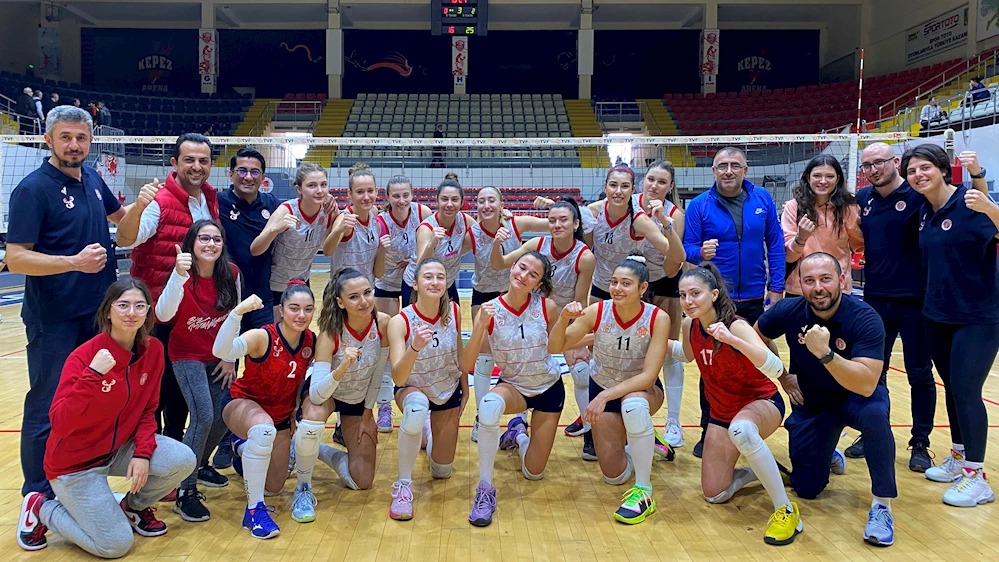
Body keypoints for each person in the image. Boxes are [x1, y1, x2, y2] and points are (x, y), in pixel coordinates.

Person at [7, 106, 144, 499]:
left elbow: (125, 229)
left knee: (95, 398)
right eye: (65, 137)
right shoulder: (33, 189)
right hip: (55, 318)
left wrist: (141, 206)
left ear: (90, 141)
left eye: (81, 138)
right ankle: (37, 494)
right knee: (48, 402)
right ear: (48, 140)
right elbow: (15, 258)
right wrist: (73, 262)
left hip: (97, 317)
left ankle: (79, 479)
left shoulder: (94, 179)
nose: (73, 145)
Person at [16, 279, 197, 556]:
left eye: (139, 306)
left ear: (148, 312)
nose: (131, 313)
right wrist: (92, 376)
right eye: (123, 305)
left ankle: (134, 508)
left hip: (118, 449)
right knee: (115, 545)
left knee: (183, 459)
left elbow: (148, 409)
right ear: (108, 312)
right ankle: (42, 508)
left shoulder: (154, 350)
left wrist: (142, 453)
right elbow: (61, 422)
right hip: (74, 465)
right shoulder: (84, 357)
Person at [849, 144, 988, 469]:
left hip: (917, 302)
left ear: (894, 162)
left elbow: (969, 204)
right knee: (872, 372)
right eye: (867, 165)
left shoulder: (918, 194)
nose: (873, 169)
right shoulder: (864, 198)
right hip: (874, 300)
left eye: (879, 162)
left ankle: (920, 443)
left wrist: (976, 174)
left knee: (920, 375)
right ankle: (871, 433)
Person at [755, 252, 895, 546]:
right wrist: (782, 375)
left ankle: (882, 505)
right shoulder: (789, 311)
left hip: (858, 398)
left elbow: (866, 384)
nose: (818, 288)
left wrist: (825, 354)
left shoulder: (865, 317)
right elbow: (753, 338)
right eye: (809, 281)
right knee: (806, 488)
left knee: (875, 415)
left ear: (841, 280)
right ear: (800, 284)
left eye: (825, 279)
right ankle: (828, 451)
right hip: (815, 402)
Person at [675, 263, 800, 546]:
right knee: (715, 493)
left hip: (762, 403)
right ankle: (760, 471)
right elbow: (686, 355)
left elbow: (773, 365)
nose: (688, 301)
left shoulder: (737, 326)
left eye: (695, 293)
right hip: (722, 412)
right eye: (683, 295)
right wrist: (647, 337)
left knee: (742, 430)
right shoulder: (689, 325)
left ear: (714, 294)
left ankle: (786, 509)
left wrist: (731, 340)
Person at [903, 144, 999, 508]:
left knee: (966, 390)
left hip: (976, 317)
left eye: (925, 168)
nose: (918, 175)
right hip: (936, 314)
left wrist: (987, 199)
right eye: (912, 171)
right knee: (952, 389)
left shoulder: (971, 202)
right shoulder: (924, 212)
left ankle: (977, 476)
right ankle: (959, 456)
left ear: (943, 170)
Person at [549, 255, 670, 525]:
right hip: (604, 386)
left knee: (633, 407)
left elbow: (648, 376)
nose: (617, 288)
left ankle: (644, 491)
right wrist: (563, 319)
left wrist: (603, 396)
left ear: (642, 288)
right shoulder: (597, 311)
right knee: (613, 476)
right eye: (614, 282)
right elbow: (556, 346)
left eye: (626, 283)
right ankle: (644, 441)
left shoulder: (657, 317)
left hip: (642, 391)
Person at [116, 132, 219, 444]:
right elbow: (125, 239)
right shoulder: (158, 202)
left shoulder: (210, 199)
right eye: (189, 160)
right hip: (155, 312)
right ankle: (147, 453)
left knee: (178, 392)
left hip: (188, 313)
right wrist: (138, 207)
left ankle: (175, 456)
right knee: (153, 390)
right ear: (175, 163)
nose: (196, 166)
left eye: (203, 160)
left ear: (210, 164)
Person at [683, 146, 786, 457]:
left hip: (754, 296)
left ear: (745, 170)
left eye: (735, 165)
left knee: (756, 363)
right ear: (713, 171)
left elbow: (775, 243)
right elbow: (687, 248)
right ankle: (709, 429)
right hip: (716, 302)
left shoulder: (762, 199)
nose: (728, 171)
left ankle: (755, 422)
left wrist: (777, 287)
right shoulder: (699, 205)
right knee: (712, 370)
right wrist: (700, 252)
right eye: (722, 166)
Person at [461, 251, 561, 527]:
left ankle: (518, 435)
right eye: (522, 267)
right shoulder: (489, 310)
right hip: (514, 387)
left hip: (549, 388)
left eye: (533, 274)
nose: (524, 276)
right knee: (488, 406)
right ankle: (485, 488)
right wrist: (480, 326)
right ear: (512, 267)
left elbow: (558, 345)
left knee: (533, 472)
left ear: (538, 283)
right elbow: (467, 364)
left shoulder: (548, 308)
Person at [491, 197, 596, 455]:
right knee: (523, 363)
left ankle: (590, 432)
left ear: (575, 224)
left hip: (563, 318)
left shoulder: (584, 256)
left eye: (563, 220)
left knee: (581, 371)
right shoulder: (537, 245)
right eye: (552, 220)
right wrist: (496, 243)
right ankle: (518, 423)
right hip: (530, 317)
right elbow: (499, 264)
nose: (557, 225)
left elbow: (580, 302)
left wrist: (571, 336)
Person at [212, 286, 317, 539]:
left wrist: (294, 411)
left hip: (280, 416)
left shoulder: (311, 341)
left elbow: (298, 380)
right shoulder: (262, 336)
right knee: (262, 430)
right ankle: (254, 512)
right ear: (281, 310)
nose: (301, 315)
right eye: (294, 308)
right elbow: (221, 351)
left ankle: (242, 450)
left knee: (274, 487)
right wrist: (237, 313)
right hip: (243, 404)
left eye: (308, 309)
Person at [155, 221, 241, 521]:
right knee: (203, 415)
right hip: (186, 355)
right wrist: (178, 275)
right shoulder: (182, 274)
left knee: (222, 417)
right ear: (192, 243)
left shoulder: (231, 273)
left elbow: (235, 315)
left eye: (216, 239)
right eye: (204, 238)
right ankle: (185, 490)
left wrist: (229, 357)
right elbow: (162, 315)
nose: (210, 244)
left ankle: (199, 464)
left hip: (218, 355)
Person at [292, 268, 390, 523]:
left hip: (357, 399)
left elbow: (379, 373)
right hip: (328, 393)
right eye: (354, 297)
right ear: (340, 302)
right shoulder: (330, 332)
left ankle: (315, 450)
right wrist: (342, 367)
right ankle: (303, 488)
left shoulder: (383, 323)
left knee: (362, 481)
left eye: (367, 293)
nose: (364, 301)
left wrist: (368, 414)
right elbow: (316, 394)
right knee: (312, 419)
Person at [213, 149, 281, 470]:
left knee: (262, 370)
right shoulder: (218, 203)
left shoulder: (272, 205)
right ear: (231, 175)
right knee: (226, 371)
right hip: (226, 303)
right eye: (242, 170)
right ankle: (225, 438)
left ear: (263, 177)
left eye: (255, 172)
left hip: (262, 301)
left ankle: (255, 433)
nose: (248, 177)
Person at [386, 258, 468, 521]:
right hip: (413, 389)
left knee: (441, 471)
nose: (435, 282)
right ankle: (403, 486)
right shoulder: (400, 321)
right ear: (415, 283)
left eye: (440, 277)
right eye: (428, 277)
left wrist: (465, 388)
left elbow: (458, 352)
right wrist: (415, 347)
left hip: (446, 389)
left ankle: (427, 430)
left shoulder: (454, 311)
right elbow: (398, 376)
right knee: (417, 409)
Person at [467, 186, 549, 442]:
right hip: (484, 295)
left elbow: (557, 224)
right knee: (484, 359)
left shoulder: (517, 223)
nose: (486, 205)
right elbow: (446, 249)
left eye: (491, 200)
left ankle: (519, 420)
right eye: (481, 201)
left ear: (501, 205)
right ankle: (481, 418)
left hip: (516, 295)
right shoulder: (472, 232)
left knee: (519, 356)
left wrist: (551, 204)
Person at [633, 161, 687, 448]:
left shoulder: (675, 215)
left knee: (668, 352)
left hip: (664, 282)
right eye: (651, 179)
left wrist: (663, 223)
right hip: (631, 282)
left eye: (662, 182)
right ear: (643, 180)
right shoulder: (627, 202)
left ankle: (673, 421)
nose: (654, 186)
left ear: (670, 187)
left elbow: (671, 267)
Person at [373, 175, 433, 432]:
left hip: (413, 281)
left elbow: (437, 237)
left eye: (405, 195)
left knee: (414, 342)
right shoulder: (381, 221)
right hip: (386, 282)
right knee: (385, 346)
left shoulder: (423, 212)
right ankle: (384, 406)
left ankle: (421, 399)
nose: (401, 200)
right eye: (395, 196)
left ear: (412, 195)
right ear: (387, 197)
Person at [251, 162, 335, 321]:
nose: (319, 190)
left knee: (300, 328)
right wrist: (275, 229)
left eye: (323, 185)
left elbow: (327, 247)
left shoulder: (328, 211)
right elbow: (255, 249)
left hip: (301, 282)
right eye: (312, 185)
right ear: (299, 189)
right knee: (278, 332)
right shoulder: (286, 210)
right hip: (275, 285)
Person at [781, 155, 863, 297]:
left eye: (829, 176)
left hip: (836, 288)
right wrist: (801, 238)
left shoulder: (847, 208)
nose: (823, 181)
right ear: (808, 177)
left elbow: (860, 245)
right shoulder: (793, 207)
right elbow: (789, 257)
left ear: (837, 179)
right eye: (817, 176)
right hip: (800, 289)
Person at [400, 179, 473, 306]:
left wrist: (501, 215)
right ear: (437, 201)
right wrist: (432, 243)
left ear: (462, 202)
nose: (449, 204)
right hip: (418, 285)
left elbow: (484, 229)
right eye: (444, 199)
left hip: (446, 283)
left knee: (454, 317)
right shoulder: (427, 228)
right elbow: (421, 266)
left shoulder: (465, 220)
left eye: (454, 199)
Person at [325, 162, 383, 284]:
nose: (366, 197)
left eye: (370, 191)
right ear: (350, 194)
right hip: (344, 289)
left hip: (366, 287)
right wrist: (338, 230)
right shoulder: (344, 219)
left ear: (376, 191)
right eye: (360, 192)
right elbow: (327, 251)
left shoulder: (373, 212)